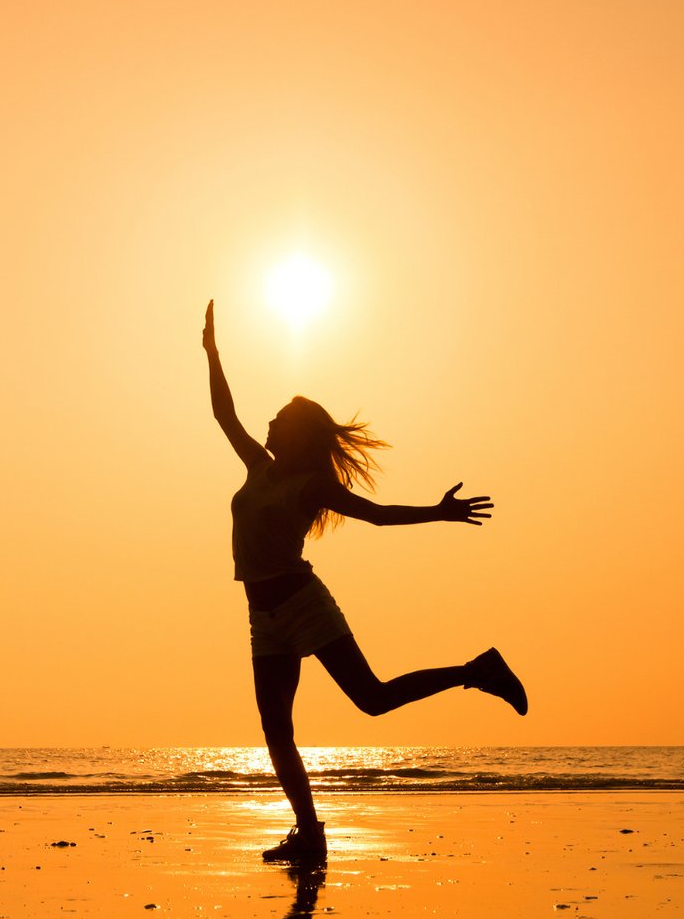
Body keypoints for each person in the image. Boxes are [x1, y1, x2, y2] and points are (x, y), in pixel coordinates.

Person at [203, 298, 527, 864]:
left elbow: (376, 515)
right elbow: (223, 414)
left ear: (298, 434)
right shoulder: (259, 467)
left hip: (303, 605)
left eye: (279, 418)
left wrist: (438, 512)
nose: (269, 423)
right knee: (276, 730)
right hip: (262, 617)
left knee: (372, 699)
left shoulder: (310, 485)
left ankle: (476, 671)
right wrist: (212, 352)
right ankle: (309, 832)